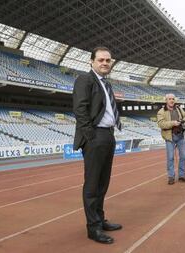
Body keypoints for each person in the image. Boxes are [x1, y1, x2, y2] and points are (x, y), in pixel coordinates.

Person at [72, 46, 122, 244]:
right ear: (91, 61)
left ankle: (100, 220)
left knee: (103, 183)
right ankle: (93, 228)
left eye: (108, 60)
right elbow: (80, 108)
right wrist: (90, 136)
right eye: (101, 60)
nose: (105, 63)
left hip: (108, 135)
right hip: (95, 137)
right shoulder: (85, 79)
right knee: (93, 184)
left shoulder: (106, 85)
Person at [157, 93, 185, 185]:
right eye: (169, 99)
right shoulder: (161, 111)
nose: (172, 100)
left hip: (180, 136)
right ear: (166, 100)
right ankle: (171, 176)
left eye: (173, 99)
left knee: (183, 156)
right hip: (170, 137)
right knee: (170, 158)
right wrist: (173, 123)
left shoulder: (179, 108)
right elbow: (161, 124)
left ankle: (182, 175)